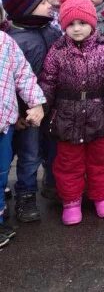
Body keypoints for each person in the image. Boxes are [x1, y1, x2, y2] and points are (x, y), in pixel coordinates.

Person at [38, 0, 104, 225]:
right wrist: (43, 110)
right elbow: (48, 81)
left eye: (82, 23)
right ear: (64, 26)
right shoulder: (57, 51)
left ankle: (102, 197)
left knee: (101, 160)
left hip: (99, 114)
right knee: (69, 162)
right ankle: (71, 201)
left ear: (92, 23)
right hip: (67, 116)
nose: (76, 29)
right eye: (71, 24)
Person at [2, 0, 60, 223]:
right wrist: (18, 113)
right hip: (28, 112)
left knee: (53, 150)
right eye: (44, 2)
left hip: (53, 106)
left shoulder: (52, 31)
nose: (50, 5)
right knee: (29, 154)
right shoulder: (15, 40)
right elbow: (11, 81)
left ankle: (52, 184)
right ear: (27, 9)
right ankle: (25, 195)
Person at [0, 28, 45, 248]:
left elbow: (23, 75)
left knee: (1, 173)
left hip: (3, 122)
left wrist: (35, 103)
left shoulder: (5, 42)